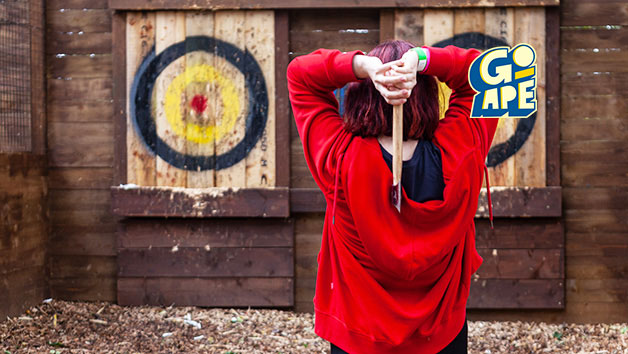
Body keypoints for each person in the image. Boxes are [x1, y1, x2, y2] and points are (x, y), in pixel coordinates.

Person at [287, 40, 499, 354]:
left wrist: (362, 67)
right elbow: (492, 75)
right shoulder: (462, 147)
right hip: (441, 337)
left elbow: (300, 76)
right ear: (426, 94)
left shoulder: (340, 158)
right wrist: (423, 60)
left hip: (359, 337)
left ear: (362, 94)